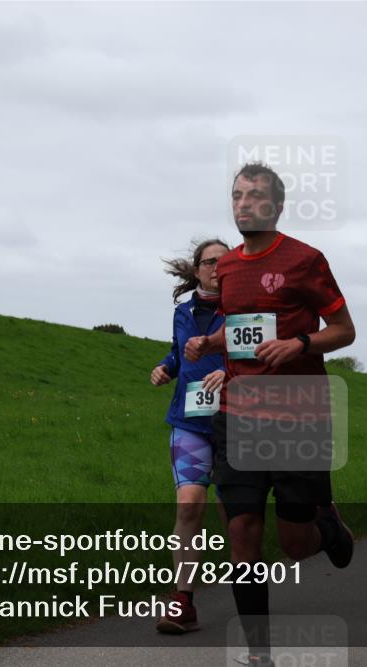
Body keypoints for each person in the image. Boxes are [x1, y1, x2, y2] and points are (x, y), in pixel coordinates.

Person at [184, 162, 356, 667]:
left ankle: (328, 527)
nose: (244, 203)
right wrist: (209, 342)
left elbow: (344, 330)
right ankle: (258, 653)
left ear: (277, 206)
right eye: (237, 195)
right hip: (238, 414)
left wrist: (300, 342)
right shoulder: (227, 267)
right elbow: (241, 326)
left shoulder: (305, 260)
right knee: (241, 531)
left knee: (296, 544)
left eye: (256, 195)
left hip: (297, 415)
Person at [149, 239, 229, 634]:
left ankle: (250, 594)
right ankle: (183, 602)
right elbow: (178, 353)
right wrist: (166, 367)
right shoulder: (182, 312)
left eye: (224, 262)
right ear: (197, 269)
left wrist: (229, 373)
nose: (217, 268)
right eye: (210, 262)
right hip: (190, 422)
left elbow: (261, 357)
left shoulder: (245, 312)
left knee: (237, 515)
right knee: (189, 506)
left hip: (235, 422)